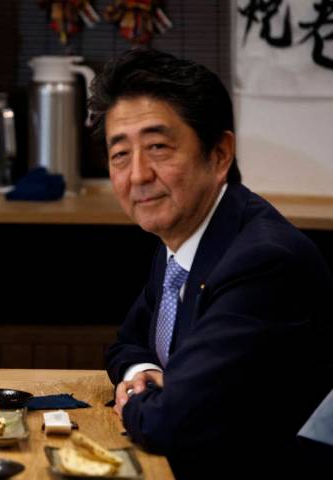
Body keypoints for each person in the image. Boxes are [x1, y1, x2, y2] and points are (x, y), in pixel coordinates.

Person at [90, 48, 333, 478]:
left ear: (219, 154)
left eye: (158, 147)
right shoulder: (184, 233)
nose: (139, 175)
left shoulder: (263, 262)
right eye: (120, 154)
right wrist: (145, 373)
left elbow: (171, 422)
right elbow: (127, 341)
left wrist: (135, 400)